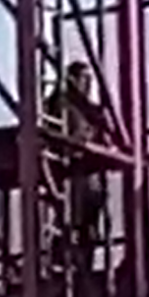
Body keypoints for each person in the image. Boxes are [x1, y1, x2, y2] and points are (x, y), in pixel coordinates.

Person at [43, 61, 110, 254]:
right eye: (84, 79)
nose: (88, 84)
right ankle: (68, 253)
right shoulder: (64, 102)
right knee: (73, 217)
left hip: (82, 169)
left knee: (86, 217)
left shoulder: (86, 108)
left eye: (90, 80)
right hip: (70, 167)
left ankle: (80, 252)